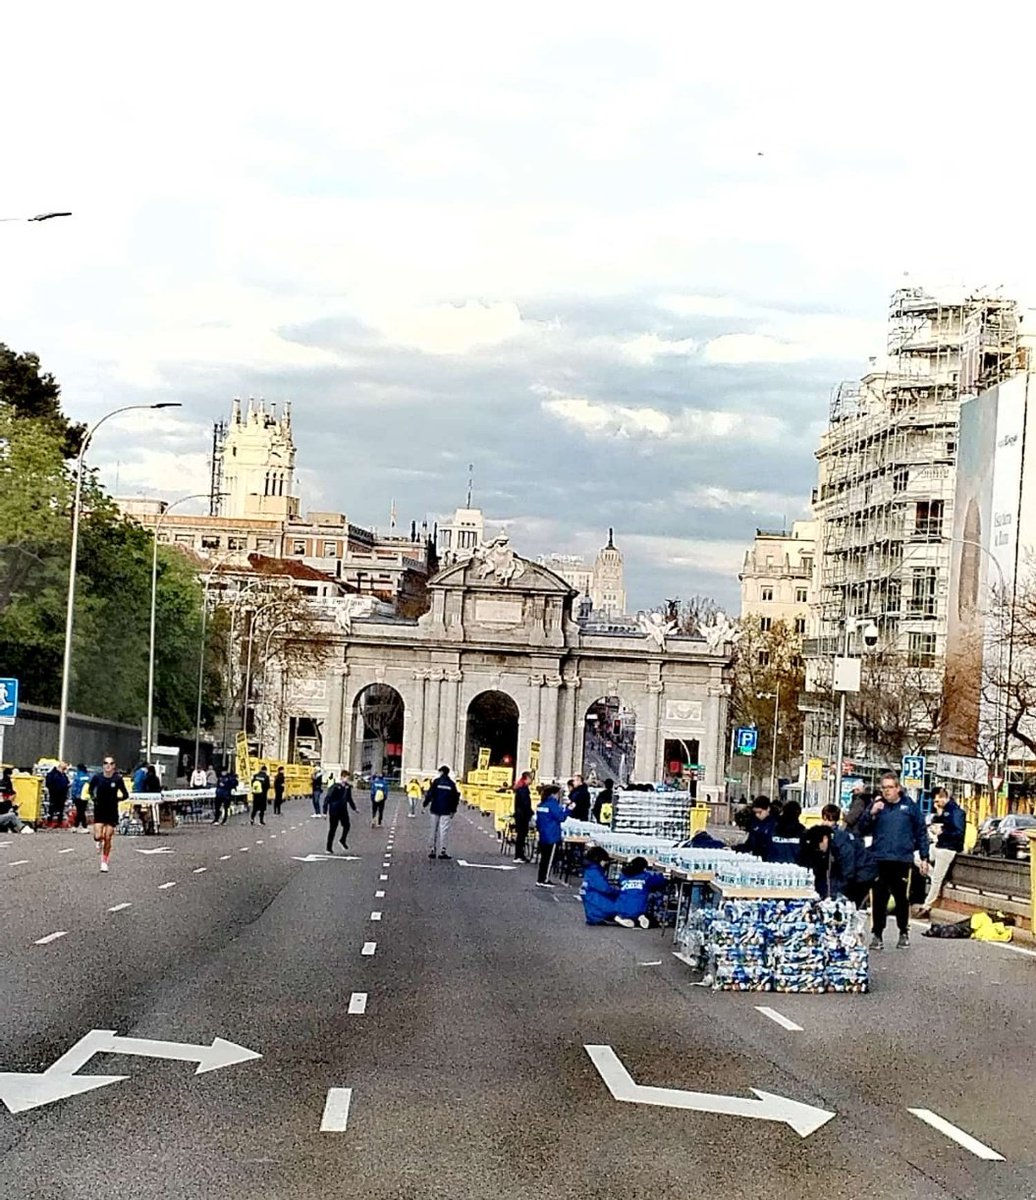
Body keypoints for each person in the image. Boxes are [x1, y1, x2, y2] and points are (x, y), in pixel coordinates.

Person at [858, 771, 929, 950]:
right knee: (879, 899)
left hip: (901, 859)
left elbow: (921, 831)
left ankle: (903, 932)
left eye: (890, 787)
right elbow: (861, 827)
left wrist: (924, 857)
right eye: (884, 788)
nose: (886, 791)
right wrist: (871, 813)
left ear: (898, 788)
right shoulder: (877, 806)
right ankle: (877, 934)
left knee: (901, 898)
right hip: (880, 858)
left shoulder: (909, 807)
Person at [920, 787, 966, 916]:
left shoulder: (956, 812)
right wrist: (938, 816)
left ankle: (927, 904)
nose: (936, 804)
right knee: (917, 856)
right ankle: (932, 874)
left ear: (944, 798)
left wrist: (942, 832)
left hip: (948, 848)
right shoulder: (944, 811)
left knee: (936, 881)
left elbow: (958, 832)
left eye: (937, 801)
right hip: (939, 845)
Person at [89, 755, 128, 872]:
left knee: (108, 836)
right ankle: (98, 842)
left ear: (114, 766)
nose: (108, 766)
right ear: (103, 765)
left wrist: (117, 799)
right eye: (106, 763)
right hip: (99, 809)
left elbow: (125, 794)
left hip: (111, 810)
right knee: (98, 835)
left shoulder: (117, 779)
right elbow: (90, 789)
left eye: (111, 764)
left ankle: (104, 861)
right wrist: (93, 798)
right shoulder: (97, 777)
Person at [615, 856, 667, 928]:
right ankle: (641, 917)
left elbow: (619, 883)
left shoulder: (623, 876)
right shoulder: (646, 876)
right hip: (640, 908)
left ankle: (622, 919)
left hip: (622, 908)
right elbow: (660, 881)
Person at [534, 783, 569, 888]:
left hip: (543, 834)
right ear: (554, 794)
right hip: (552, 835)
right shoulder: (553, 805)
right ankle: (544, 879)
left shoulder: (541, 805)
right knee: (549, 859)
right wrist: (568, 810)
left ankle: (541, 878)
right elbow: (561, 817)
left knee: (544, 859)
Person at [423, 766, 460, 859]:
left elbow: (430, 794)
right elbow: (455, 798)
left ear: (442, 772)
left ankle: (432, 850)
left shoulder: (436, 782)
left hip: (435, 808)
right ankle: (442, 851)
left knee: (433, 830)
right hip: (446, 810)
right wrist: (453, 810)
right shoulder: (452, 784)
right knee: (444, 831)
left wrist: (425, 803)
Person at [580, 847, 621, 924]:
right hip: (595, 898)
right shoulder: (595, 872)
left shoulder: (590, 870)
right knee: (620, 906)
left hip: (591, 899)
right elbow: (604, 888)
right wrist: (618, 892)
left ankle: (597, 916)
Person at [326, 771, 358, 853]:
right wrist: (324, 810)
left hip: (343, 810)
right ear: (342, 777)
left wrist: (354, 808)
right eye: (346, 777)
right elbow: (328, 797)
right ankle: (328, 848)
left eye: (347, 778)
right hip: (334, 810)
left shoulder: (347, 787)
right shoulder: (335, 786)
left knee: (347, 826)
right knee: (333, 829)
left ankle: (342, 840)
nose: (347, 779)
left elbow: (349, 799)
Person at [512, 771, 534, 863]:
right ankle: (519, 855)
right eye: (531, 778)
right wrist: (531, 813)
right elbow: (525, 804)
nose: (532, 780)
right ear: (526, 778)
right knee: (521, 835)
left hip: (520, 815)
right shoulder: (523, 789)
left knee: (521, 836)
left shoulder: (520, 788)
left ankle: (519, 855)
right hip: (522, 816)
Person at [45, 762, 71, 827]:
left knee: (60, 809)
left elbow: (66, 782)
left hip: (62, 794)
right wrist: (53, 789)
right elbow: (48, 783)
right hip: (55, 794)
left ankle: (59, 822)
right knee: (52, 808)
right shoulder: (53, 774)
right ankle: (50, 821)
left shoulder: (63, 774)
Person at [71, 764, 90, 830]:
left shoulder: (77, 777)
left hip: (78, 796)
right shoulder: (88, 777)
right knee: (81, 811)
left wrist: (73, 796)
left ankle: (82, 826)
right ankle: (76, 826)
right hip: (85, 796)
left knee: (80, 812)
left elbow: (74, 787)